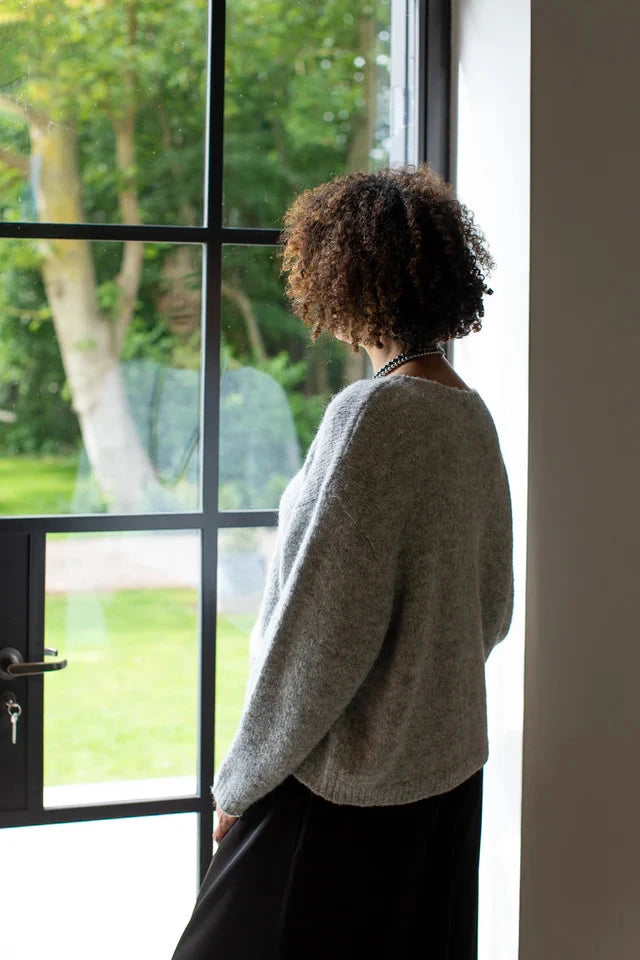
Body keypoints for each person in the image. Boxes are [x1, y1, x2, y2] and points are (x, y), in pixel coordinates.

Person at [170, 162, 514, 960]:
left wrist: (240, 785)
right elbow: (491, 608)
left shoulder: (372, 414)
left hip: (341, 791)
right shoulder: (469, 414)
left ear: (344, 285)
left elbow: (318, 637)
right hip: (446, 776)